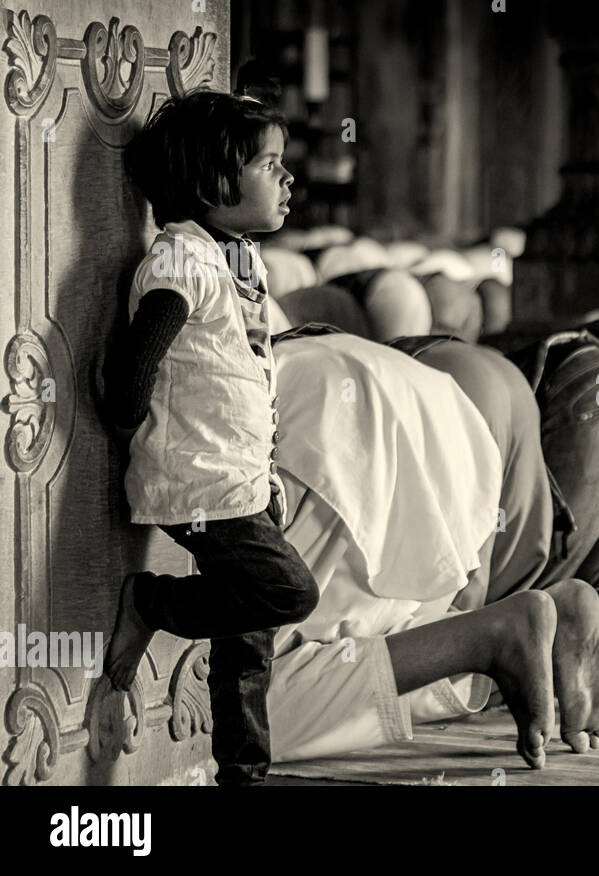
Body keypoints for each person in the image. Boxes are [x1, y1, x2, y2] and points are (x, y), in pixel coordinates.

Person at [103, 91, 318, 786]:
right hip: (203, 483)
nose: (288, 179)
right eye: (270, 164)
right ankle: (151, 603)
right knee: (290, 593)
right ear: (212, 184)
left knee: (248, 644)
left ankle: (243, 774)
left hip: (241, 479)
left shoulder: (232, 260)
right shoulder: (184, 263)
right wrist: (135, 422)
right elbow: (134, 372)